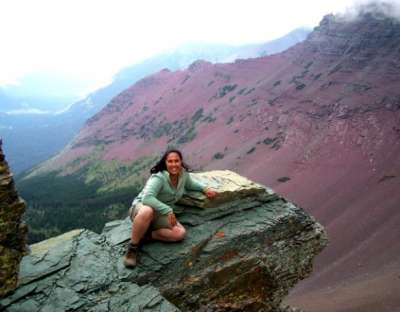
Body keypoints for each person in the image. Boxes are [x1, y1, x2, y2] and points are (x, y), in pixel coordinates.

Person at [123, 149, 217, 268]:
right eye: (170, 161)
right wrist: (168, 210)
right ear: (165, 163)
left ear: (181, 162)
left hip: (159, 214)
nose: (174, 164)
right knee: (148, 211)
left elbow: (191, 184)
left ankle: (144, 235)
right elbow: (147, 198)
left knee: (179, 233)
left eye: (176, 161)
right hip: (141, 209)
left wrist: (205, 189)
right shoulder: (159, 177)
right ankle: (133, 247)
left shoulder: (182, 174)